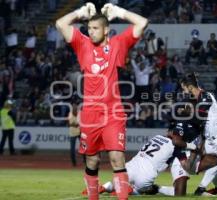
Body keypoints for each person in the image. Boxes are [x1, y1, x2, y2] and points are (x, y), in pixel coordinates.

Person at [55, 3, 148, 200]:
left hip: (113, 113)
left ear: (106, 30)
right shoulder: (83, 44)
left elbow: (142, 22)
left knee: (117, 158)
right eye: (89, 28)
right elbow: (60, 23)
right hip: (90, 115)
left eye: (95, 28)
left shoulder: (117, 44)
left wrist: (120, 12)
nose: (91, 32)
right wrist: (79, 12)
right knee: (92, 161)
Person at [81, 122, 199, 197]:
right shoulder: (177, 147)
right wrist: (193, 151)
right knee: (145, 190)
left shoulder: (156, 137)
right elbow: (186, 166)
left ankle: (105, 186)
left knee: (121, 180)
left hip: (130, 166)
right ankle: (131, 190)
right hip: (146, 175)